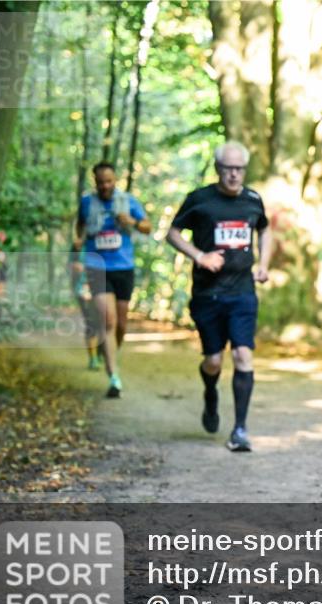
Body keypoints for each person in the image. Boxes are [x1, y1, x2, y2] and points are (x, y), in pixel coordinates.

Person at [166, 141, 272, 453]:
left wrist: (263, 264)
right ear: (218, 169)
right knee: (213, 360)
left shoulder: (253, 200)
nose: (234, 174)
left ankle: (240, 429)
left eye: (239, 169)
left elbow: (264, 230)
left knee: (242, 355)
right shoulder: (199, 200)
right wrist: (199, 255)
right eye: (228, 168)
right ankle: (210, 391)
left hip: (242, 293)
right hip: (207, 294)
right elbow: (172, 233)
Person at [75, 162, 151, 398]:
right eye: (101, 182)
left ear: (115, 180)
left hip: (123, 267)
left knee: (120, 324)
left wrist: (133, 222)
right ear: (95, 182)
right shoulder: (87, 203)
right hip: (96, 265)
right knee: (107, 319)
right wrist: (78, 243)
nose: (105, 186)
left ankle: (109, 352)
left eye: (109, 181)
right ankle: (114, 376)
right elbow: (79, 227)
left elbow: (147, 226)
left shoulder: (128, 201)